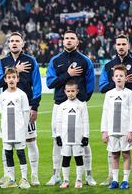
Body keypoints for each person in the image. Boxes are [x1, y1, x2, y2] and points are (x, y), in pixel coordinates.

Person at [46, 30, 96, 186]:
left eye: (72, 38)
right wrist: (67, 74)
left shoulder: (85, 60)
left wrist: (82, 101)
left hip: (79, 105)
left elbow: (90, 83)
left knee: (84, 142)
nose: (68, 40)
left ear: (77, 41)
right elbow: (50, 83)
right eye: (66, 38)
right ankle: (56, 175)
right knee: (57, 140)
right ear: (62, 41)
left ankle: (88, 175)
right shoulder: (55, 60)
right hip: (60, 104)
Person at [99, 34, 132, 187]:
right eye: (118, 44)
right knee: (112, 148)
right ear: (115, 46)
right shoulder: (108, 66)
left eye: (123, 44)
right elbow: (102, 87)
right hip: (114, 113)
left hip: (131, 113)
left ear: (128, 46)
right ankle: (111, 176)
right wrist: (122, 81)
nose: (121, 47)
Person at [0, 32, 41, 186]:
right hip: (9, 108)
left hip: (26, 107)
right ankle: (8, 175)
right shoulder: (3, 62)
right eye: (11, 41)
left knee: (30, 140)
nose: (14, 43)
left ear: (23, 43)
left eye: (17, 41)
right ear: (8, 44)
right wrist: (16, 69)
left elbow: (37, 85)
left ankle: (33, 175)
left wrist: (34, 106)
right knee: (6, 142)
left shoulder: (30, 60)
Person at [101, 65, 132, 189]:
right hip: (112, 130)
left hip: (125, 130)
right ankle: (115, 180)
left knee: (126, 154)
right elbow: (105, 112)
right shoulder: (109, 94)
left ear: (126, 78)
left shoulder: (130, 93)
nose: (119, 78)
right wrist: (104, 131)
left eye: (121, 76)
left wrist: (131, 130)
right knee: (114, 155)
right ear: (113, 78)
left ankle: (125, 181)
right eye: (116, 76)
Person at [0, 68, 31, 189]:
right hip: (7, 130)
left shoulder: (22, 94)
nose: (11, 79)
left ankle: (24, 179)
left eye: (13, 77)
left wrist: (24, 128)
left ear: (17, 79)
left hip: (19, 130)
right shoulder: (2, 96)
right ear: (5, 79)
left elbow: (26, 113)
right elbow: (2, 113)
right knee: (8, 154)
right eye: (9, 77)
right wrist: (2, 129)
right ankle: (11, 180)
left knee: (21, 153)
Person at [55, 80, 90, 189]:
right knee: (65, 159)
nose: (70, 93)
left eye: (73, 91)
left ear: (77, 91)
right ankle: (66, 181)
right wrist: (58, 135)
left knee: (78, 159)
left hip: (77, 138)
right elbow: (59, 122)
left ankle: (79, 180)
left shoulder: (81, 105)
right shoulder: (62, 106)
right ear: (65, 91)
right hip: (65, 138)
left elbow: (85, 121)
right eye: (68, 91)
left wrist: (86, 136)